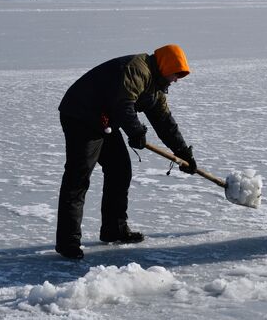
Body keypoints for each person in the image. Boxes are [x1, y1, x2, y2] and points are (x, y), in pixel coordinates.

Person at [55, 44, 197, 259]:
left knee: (120, 170)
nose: (177, 79)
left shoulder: (155, 86)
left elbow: (164, 122)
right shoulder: (137, 70)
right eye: (176, 74)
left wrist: (183, 152)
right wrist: (136, 131)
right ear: (166, 65)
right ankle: (68, 242)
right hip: (81, 115)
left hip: (106, 119)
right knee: (78, 177)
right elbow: (123, 104)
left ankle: (114, 229)